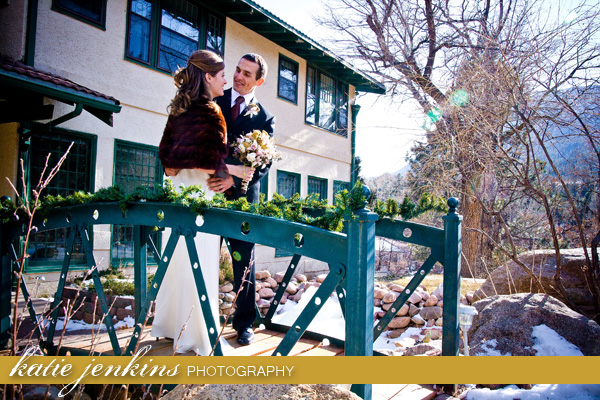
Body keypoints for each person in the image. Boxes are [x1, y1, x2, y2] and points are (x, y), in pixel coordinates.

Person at [151, 50, 253, 354]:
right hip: (202, 198)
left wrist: (184, 167)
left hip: (180, 197)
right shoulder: (211, 111)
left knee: (179, 260)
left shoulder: (179, 110)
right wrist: (236, 170)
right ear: (208, 77)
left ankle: (171, 326)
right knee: (199, 262)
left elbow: (167, 158)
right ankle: (196, 333)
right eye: (223, 75)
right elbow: (210, 160)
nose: (227, 80)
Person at [208, 54, 275, 346]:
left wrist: (235, 179)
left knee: (244, 262)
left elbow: (264, 162)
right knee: (203, 255)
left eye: (247, 73)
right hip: (208, 192)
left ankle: (244, 324)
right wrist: (219, 173)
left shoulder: (264, 117)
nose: (238, 76)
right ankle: (201, 319)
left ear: (258, 80)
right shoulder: (214, 100)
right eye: (237, 70)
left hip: (243, 201)